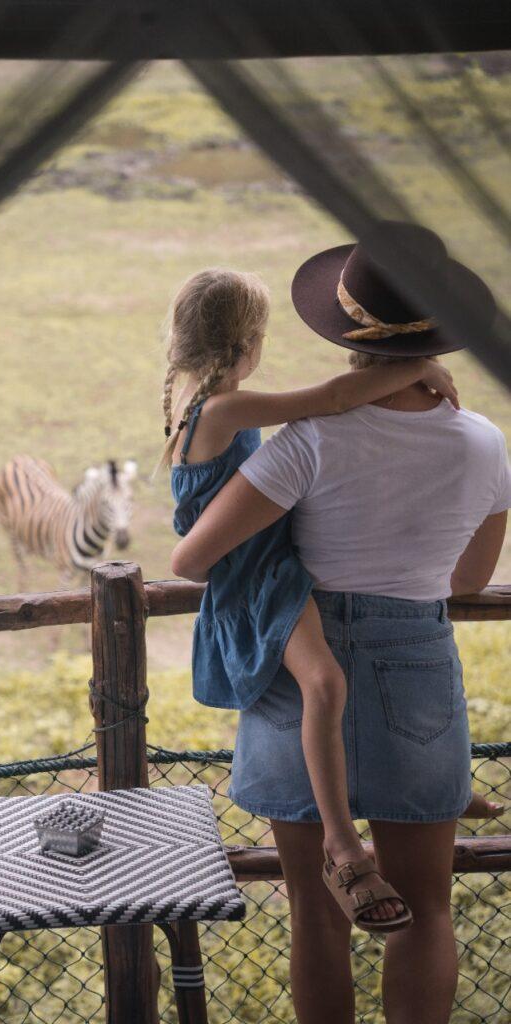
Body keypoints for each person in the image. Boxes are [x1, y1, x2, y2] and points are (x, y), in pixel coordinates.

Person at [170, 223, 511, 1024]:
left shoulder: (306, 441)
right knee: (427, 913)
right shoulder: (486, 444)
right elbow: (468, 580)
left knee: (316, 916)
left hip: (301, 664)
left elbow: (201, 553)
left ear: (347, 330)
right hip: (419, 667)